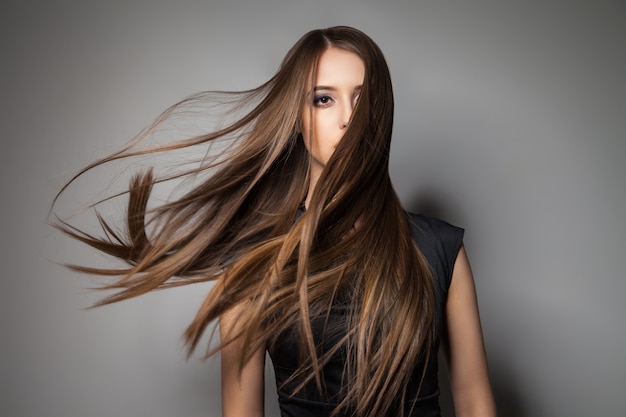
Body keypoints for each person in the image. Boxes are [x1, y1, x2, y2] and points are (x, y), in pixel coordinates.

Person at [54, 26, 496, 417]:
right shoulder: (252, 263)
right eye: (324, 99)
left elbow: (475, 401)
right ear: (299, 121)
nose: (348, 119)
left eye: (362, 100)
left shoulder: (440, 249)